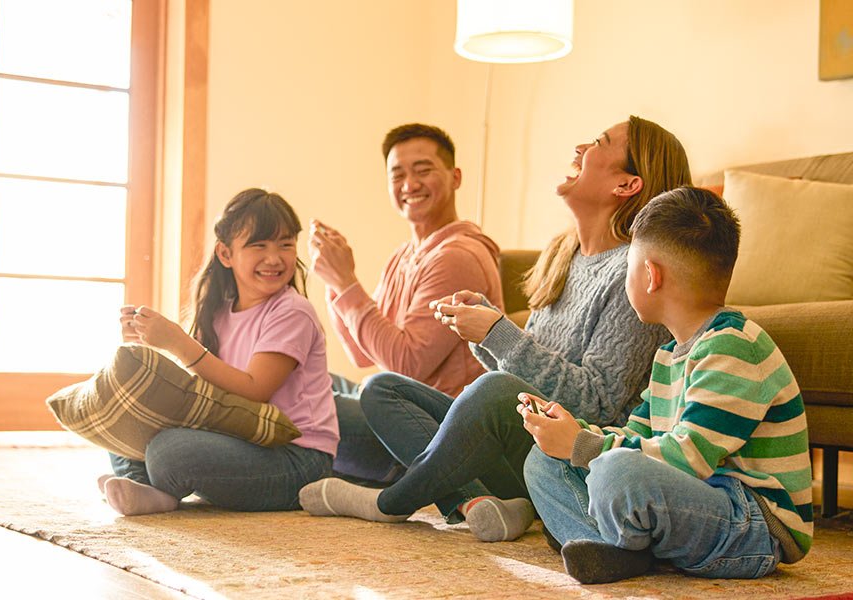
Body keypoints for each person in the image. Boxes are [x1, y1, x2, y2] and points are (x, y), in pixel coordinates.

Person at [299, 116, 688, 543]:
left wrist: (498, 332)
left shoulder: (630, 275)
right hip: (516, 441)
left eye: (598, 142)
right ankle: (479, 502)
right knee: (381, 388)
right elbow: (525, 368)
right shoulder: (564, 255)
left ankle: (389, 503)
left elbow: (598, 403)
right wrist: (482, 333)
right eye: (398, 173)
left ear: (627, 185)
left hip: (565, 460)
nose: (580, 148)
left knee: (494, 389)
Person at [522, 187, 812, 584]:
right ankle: (611, 547)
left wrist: (583, 446)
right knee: (543, 461)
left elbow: (688, 457)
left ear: (650, 275)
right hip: (695, 505)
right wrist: (573, 432)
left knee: (617, 472)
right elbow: (637, 434)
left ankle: (606, 540)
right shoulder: (668, 356)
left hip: (753, 524)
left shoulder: (734, 347)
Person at [99, 188, 338, 516]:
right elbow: (195, 385)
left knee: (171, 452)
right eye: (259, 246)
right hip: (242, 440)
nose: (274, 258)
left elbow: (256, 390)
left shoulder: (292, 311)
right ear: (226, 254)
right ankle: (145, 488)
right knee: (127, 415)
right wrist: (145, 343)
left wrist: (179, 343)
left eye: (285, 244)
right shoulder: (218, 312)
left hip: (298, 461)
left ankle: (155, 487)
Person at [311, 123, 503, 482]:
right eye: (397, 174)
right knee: (302, 382)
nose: (409, 185)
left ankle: (394, 475)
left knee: (302, 404)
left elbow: (407, 363)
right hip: (395, 403)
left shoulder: (457, 257)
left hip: (430, 424)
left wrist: (347, 282)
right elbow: (364, 354)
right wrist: (335, 286)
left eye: (423, 170)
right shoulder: (405, 255)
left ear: (455, 176)